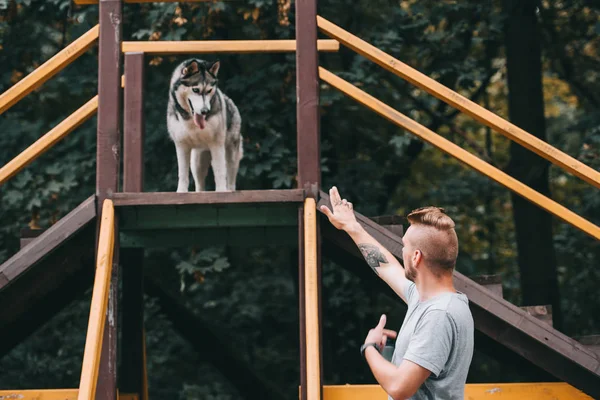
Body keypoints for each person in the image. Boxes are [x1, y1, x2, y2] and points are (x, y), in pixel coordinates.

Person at [320, 186, 474, 400]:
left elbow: (400, 387)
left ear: (416, 257)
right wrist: (352, 226)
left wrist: (369, 347)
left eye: (405, 246)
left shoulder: (439, 314)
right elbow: (385, 267)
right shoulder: (425, 299)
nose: (402, 252)